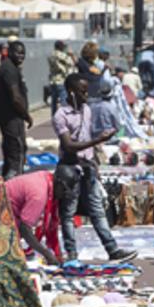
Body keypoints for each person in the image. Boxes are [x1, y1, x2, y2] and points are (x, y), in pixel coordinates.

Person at [53, 74, 137, 263]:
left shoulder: (87, 110)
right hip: (70, 169)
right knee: (68, 213)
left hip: (88, 167)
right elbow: (69, 146)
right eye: (82, 92)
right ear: (71, 92)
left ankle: (112, 250)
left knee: (97, 210)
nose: (85, 96)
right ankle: (72, 254)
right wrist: (99, 140)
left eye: (86, 91)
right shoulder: (61, 116)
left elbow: (88, 140)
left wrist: (95, 162)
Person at [0, 171, 62, 266]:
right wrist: (46, 254)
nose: (64, 196)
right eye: (65, 191)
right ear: (60, 183)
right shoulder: (39, 195)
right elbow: (24, 229)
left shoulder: (44, 177)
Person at [0, 40, 31, 178]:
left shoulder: (9, 68)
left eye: (23, 53)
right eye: (18, 52)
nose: (21, 56)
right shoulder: (9, 70)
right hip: (12, 119)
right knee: (17, 154)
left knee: (10, 156)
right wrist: (27, 115)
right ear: (9, 52)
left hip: (9, 119)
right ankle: (13, 187)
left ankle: (6, 189)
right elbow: (15, 98)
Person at [49, 40, 76, 114]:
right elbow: (71, 63)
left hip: (53, 80)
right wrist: (71, 55)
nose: (64, 48)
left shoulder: (51, 55)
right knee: (64, 101)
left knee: (54, 102)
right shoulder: (62, 55)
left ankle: (54, 117)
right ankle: (64, 116)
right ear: (60, 46)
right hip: (61, 80)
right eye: (63, 46)